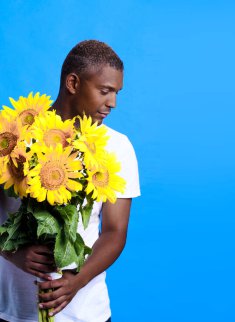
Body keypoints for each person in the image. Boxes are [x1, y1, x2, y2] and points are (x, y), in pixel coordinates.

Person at [0, 40, 141, 322]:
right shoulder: (12, 137)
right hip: (11, 310)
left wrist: (77, 280)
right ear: (73, 83)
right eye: (105, 91)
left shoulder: (118, 147)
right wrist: (11, 250)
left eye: (116, 93)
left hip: (86, 313)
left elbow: (115, 232)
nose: (113, 103)